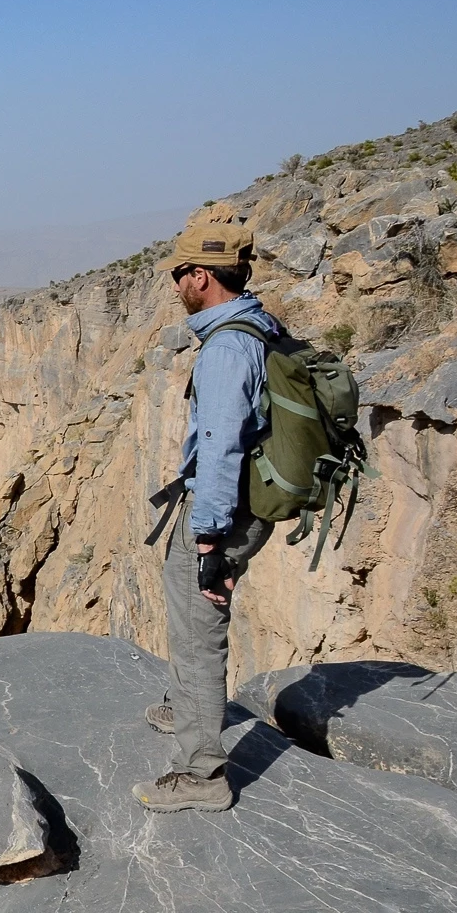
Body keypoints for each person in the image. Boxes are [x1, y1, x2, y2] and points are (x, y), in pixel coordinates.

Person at [135, 219, 276, 814]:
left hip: (221, 508)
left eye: (178, 275)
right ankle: (184, 706)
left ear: (200, 277)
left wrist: (208, 539)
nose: (174, 286)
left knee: (199, 630)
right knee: (186, 612)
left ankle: (202, 775)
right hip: (232, 502)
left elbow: (219, 447)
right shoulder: (255, 323)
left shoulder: (225, 349)